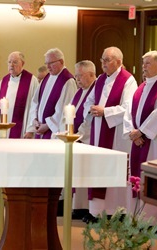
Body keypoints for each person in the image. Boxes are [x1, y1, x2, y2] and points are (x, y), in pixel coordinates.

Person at [81, 47, 138, 222]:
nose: (103, 63)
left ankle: (116, 210)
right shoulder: (100, 80)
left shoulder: (128, 81)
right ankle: (97, 211)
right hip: (99, 132)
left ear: (119, 62)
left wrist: (105, 111)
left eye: (107, 60)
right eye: (102, 60)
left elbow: (129, 107)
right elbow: (89, 101)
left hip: (116, 136)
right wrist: (91, 109)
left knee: (114, 170)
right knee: (98, 169)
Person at [123, 50, 157, 221]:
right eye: (143, 63)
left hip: (153, 142)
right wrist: (132, 132)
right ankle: (134, 216)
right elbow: (128, 113)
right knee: (135, 177)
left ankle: (149, 219)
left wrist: (142, 132)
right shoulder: (140, 87)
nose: (143, 66)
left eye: (148, 63)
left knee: (149, 178)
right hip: (138, 141)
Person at [24, 48, 77, 139]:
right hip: (39, 128)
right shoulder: (47, 77)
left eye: (51, 63)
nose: (48, 67)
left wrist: (47, 125)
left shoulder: (68, 80)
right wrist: (35, 120)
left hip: (53, 132)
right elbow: (35, 101)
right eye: (46, 63)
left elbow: (64, 110)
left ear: (61, 61)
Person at [70, 60, 97, 220]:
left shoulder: (95, 91)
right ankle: (78, 206)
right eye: (76, 75)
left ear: (92, 75)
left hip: (87, 140)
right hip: (76, 138)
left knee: (87, 174)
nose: (77, 79)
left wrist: (79, 135)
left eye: (80, 75)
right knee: (77, 174)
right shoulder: (79, 92)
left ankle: (87, 207)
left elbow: (89, 118)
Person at [0, 51, 39, 138]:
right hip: (4, 129)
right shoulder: (4, 80)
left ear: (23, 63)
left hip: (23, 130)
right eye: (9, 62)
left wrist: (31, 129)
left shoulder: (32, 80)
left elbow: (35, 106)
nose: (11, 65)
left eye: (15, 62)